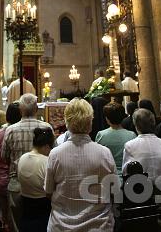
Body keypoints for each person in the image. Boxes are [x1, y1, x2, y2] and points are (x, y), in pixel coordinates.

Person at [45, 98, 116, 231]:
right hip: (98, 225)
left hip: (62, 225)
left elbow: (48, 191)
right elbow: (113, 190)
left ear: (67, 122)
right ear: (90, 122)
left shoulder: (55, 154)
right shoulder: (104, 153)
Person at [2, 93, 51, 230]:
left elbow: (4, 156)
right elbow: (53, 156)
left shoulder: (10, 130)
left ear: (20, 110)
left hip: (16, 183)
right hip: (42, 185)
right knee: (43, 224)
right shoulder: (46, 128)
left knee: (18, 225)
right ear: (36, 109)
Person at [17, 127, 55, 232]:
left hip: (25, 204)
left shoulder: (23, 158)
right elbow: (50, 189)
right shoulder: (46, 161)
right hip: (43, 207)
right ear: (47, 146)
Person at [0, 103, 21, 231]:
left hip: (1, 179)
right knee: (17, 218)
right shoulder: (19, 133)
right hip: (16, 180)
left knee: (4, 216)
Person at [123, 108, 161, 178]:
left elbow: (126, 172)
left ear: (136, 125)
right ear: (153, 123)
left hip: (142, 186)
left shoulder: (130, 146)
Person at [95, 102, 136, 175]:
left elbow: (98, 158)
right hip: (128, 175)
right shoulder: (132, 135)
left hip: (109, 176)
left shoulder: (101, 135)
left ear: (107, 119)